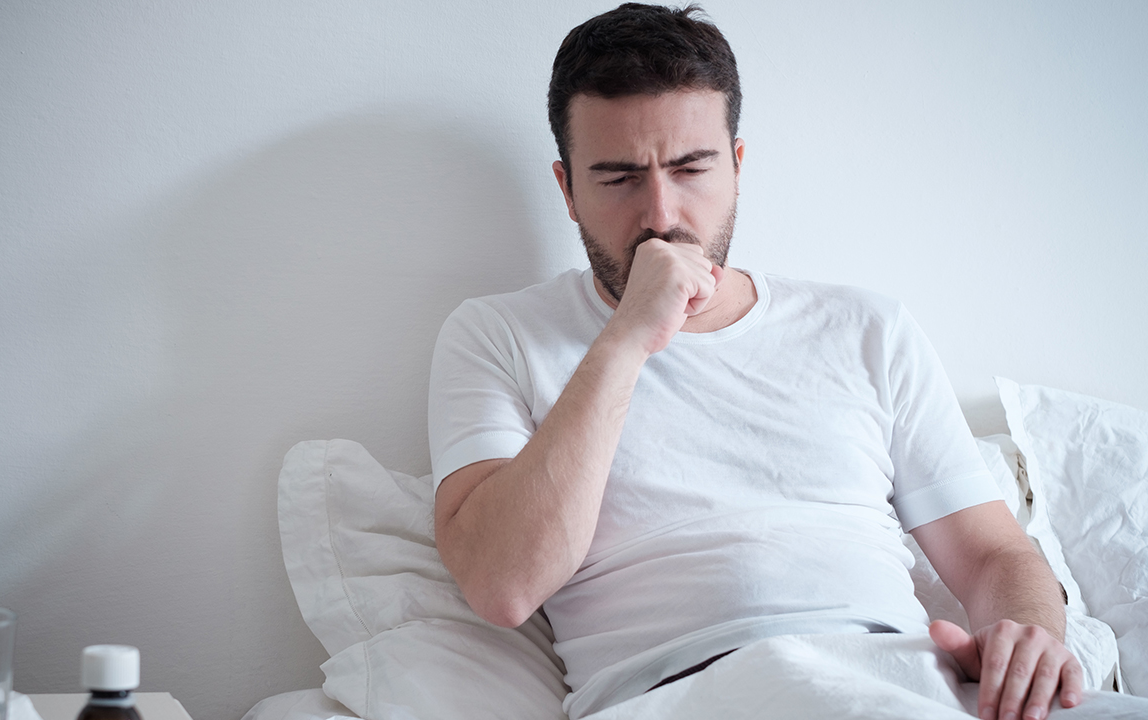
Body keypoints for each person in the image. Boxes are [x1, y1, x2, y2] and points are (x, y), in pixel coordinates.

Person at [428, 4, 1088, 719]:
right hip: (681, 695)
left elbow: (994, 557)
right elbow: (502, 585)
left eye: (691, 168)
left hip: (899, 683)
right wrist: (626, 338)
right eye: (619, 178)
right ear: (567, 190)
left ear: (737, 168)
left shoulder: (868, 328)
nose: (660, 216)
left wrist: (1027, 642)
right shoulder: (496, 335)